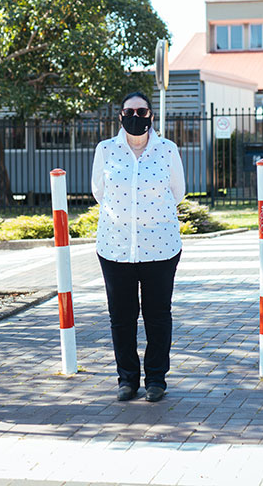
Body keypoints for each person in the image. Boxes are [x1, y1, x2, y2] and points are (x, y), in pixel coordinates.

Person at [91, 92, 186, 403]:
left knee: (158, 315)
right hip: (116, 247)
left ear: (151, 116)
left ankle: (156, 378)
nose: (136, 116)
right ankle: (127, 379)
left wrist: (150, 218)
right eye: (129, 111)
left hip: (161, 248)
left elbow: (178, 192)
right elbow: (98, 192)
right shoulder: (105, 150)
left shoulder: (167, 150)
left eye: (141, 111)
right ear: (120, 116)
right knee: (122, 316)